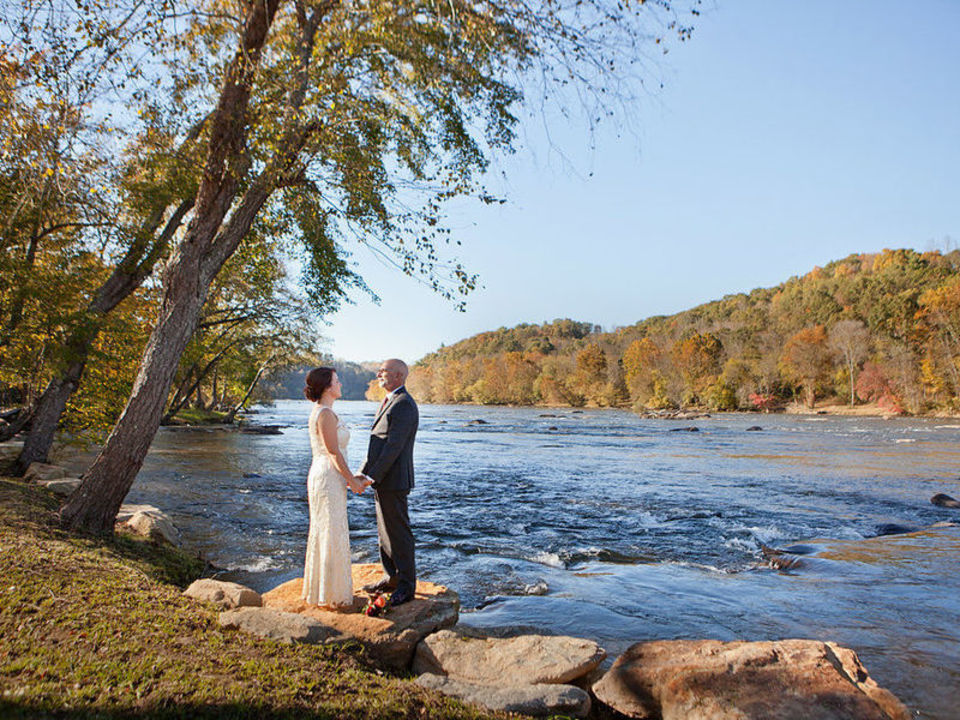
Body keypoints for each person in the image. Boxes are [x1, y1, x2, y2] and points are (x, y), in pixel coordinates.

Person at [302, 367, 369, 609]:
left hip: (330, 474)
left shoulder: (326, 411)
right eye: (337, 381)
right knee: (329, 529)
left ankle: (327, 589)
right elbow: (332, 452)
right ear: (328, 387)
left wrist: (352, 476)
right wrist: (352, 481)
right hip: (327, 476)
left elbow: (336, 452)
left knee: (330, 528)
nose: (340, 384)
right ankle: (329, 593)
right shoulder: (325, 414)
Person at [357, 358, 419, 606]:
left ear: (398, 376)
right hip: (384, 479)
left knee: (399, 533)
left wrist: (371, 477)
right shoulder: (389, 400)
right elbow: (377, 444)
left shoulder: (404, 404)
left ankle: (406, 587)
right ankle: (391, 577)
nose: (378, 374)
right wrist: (362, 473)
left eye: (383, 371)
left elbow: (394, 447)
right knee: (384, 532)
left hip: (394, 480)